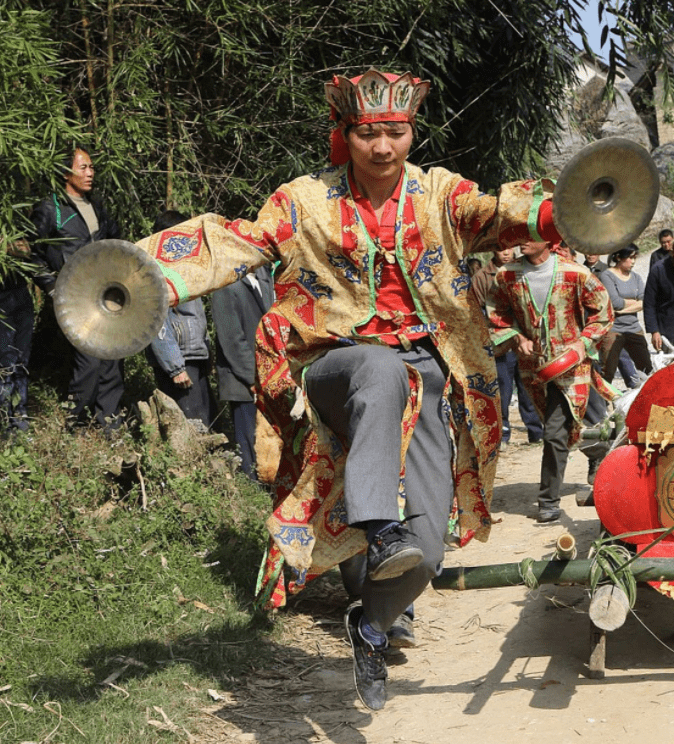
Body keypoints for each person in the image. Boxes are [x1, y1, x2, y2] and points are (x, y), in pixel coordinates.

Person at [135, 69, 565, 710]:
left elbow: (502, 211)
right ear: (346, 134)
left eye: (396, 132)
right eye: (369, 133)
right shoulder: (302, 201)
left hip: (424, 373)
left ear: (411, 131)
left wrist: (578, 206)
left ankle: (368, 625)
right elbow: (236, 241)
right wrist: (136, 273)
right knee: (379, 369)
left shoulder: (439, 194)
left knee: (423, 553)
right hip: (334, 369)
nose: (384, 147)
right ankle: (376, 521)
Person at [486, 239, 613, 523]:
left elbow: (603, 313)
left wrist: (583, 342)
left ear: (547, 240)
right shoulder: (506, 275)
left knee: (556, 429)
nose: (521, 241)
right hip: (534, 369)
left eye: (529, 235)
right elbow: (495, 313)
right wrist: (516, 337)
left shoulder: (575, 273)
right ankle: (600, 454)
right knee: (574, 422)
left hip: (572, 367)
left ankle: (548, 501)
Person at [28, 144, 125, 432]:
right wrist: (51, 286)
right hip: (75, 298)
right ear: (66, 172)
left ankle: (110, 425)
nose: (90, 173)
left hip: (105, 294)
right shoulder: (51, 208)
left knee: (112, 357)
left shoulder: (97, 207)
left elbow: (117, 243)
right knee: (89, 361)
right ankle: (77, 423)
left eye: (92, 167)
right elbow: (32, 252)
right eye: (83, 167)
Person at [145, 210, 215, 426]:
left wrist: (206, 353)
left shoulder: (183, 269)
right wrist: (175, 368)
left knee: (207, 421)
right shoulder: (154, 273)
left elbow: (195, 318)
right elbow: (157, 323)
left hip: (194, 357)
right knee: (192, 425)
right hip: (179, 361)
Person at [469, 244, 544, 446]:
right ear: (492, 250)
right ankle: (503, 435)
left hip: (525, 341)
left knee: (528, 386)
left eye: (510, 248)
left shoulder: (522, 270)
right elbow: (475, 312)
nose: (506, 252)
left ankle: (536, 433)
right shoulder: (482, 277)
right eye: (501, 248)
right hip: (499, 342)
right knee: (502, 390)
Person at [209, 262, 274, 478]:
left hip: (265, 374)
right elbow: (232, 339)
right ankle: (252, 486)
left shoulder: (263, 278)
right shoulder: (226, 286)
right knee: (247, 439)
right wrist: (252, 377)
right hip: (243, 378)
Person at [598, 244, 653, 384]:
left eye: (634, 258)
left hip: (633, 327)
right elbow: (615, 302)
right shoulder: (607, 275)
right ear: (618, 257)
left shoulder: (636, 277)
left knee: (647, 368)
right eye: (630, 257)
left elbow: (643, 301)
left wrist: (621, 310)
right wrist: (632, 303)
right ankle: (605, 404)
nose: (633, 261)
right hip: (613, 329)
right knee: (607, 371)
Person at [0, 239, 33, 435]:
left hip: (19, 293)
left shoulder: (16, 216)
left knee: (21, 361)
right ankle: (4, 422)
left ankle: (20, 419)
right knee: (5, 364)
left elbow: (28, 250)